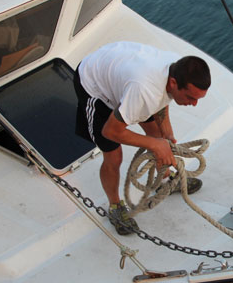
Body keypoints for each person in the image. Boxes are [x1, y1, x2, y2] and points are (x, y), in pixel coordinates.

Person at [73, 41, 210, 235]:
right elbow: (110, 131)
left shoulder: (174, 67)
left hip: (122, 72)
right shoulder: (143, 90)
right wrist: (155, 144)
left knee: (158, 135)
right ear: (173, 83)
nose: (194, 104)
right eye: (190, 98)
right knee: (114, 155)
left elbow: (164, 98)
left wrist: (166, 133)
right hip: (94, 85)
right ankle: (115, 207)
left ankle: (164, 179)